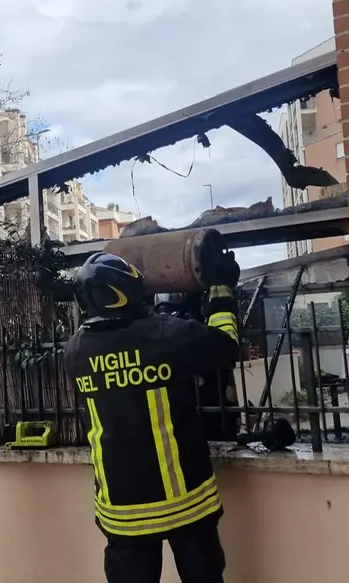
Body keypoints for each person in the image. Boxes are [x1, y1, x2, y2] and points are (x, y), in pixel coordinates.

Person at [63, 249, 242, 583]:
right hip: (186, 502)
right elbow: (226, 345)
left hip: (122, 510)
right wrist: (220, 288)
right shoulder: (167, 335)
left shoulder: (74, 352)